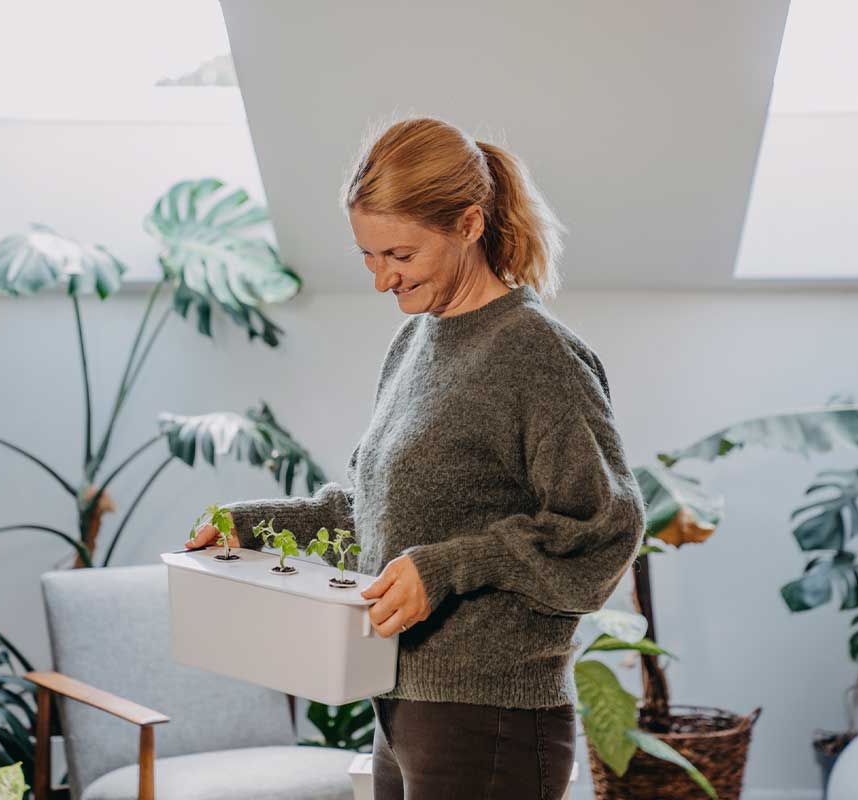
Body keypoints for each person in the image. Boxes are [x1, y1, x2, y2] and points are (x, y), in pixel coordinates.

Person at [184, 115, 647, 800]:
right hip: (404, 708)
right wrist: (251, 524)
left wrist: (448, 568)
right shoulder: (415, 346)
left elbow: (604, 527)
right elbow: (374, 515)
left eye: (399, 256)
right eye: (368, 256)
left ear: (468, 224)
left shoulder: (533, 352)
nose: (381, 280)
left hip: (492, 721)